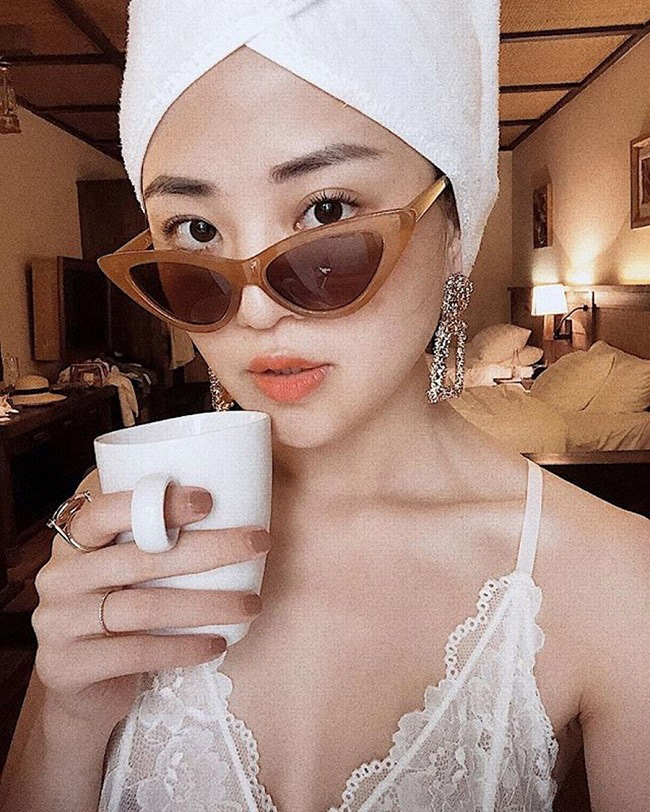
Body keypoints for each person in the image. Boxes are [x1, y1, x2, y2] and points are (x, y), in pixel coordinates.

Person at [2, 2, 649, 811]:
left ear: (456, 228)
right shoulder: (128, 517)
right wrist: (66, 718)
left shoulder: (614, 579)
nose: (255, 309)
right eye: (195, 228)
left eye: (328, 211)